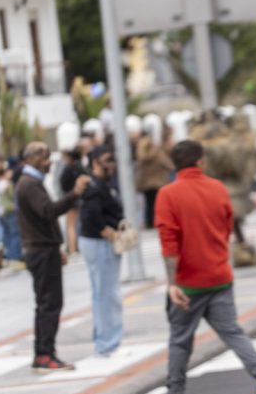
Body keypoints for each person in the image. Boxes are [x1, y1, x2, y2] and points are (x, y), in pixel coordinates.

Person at [153, 141, 256, 394]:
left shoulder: (168, 194)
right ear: (200, 161)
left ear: (175, 164)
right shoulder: (218, 188)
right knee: (233, 332)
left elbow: (169, 241)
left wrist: (172, 283)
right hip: (219, 275)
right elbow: (227, 227)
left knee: (180, 341)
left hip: (188, 282)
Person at [16, 141, 90, 371]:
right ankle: (44, 354)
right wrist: (74, 194)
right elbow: (48, 211)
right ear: (30, 159)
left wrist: (56, 247)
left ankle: (44, 352)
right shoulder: (29, 184)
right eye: (44, 156)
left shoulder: (31, 182)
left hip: (44, 249)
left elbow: (42, 220)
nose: (48, 161)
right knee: (49, 304)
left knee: (47, 303)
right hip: (40, 251)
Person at [78, 146, 125, 357]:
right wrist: (111, 234)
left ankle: (105, 341)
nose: (111, 165)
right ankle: (108, 343)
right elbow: (92, 216)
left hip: (97, 243)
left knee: (102, 293)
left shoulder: (100, 184)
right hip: (100, 244)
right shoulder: (95, 187)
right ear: (95, 162)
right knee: (107, 294)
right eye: (107, 160)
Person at [135, 131, 174, 229]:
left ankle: (149, 223)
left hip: (146, 185)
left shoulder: (141, 156)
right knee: (157, 204)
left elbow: (139, 171)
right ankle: (157, 222)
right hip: (158, 183)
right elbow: (169, 165)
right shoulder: (158, 154)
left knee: (148, 204)